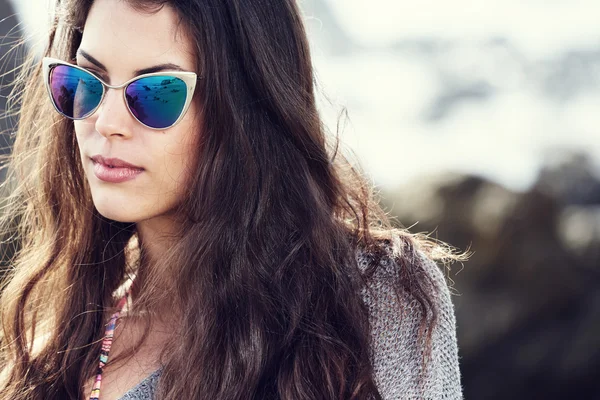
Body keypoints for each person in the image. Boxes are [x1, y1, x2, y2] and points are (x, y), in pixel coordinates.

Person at [0, 0, 468, 399]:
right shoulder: (55, 348)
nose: (105, 122)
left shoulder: (373, 300)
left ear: (244, 106)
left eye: (155, 94)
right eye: (85, 83)